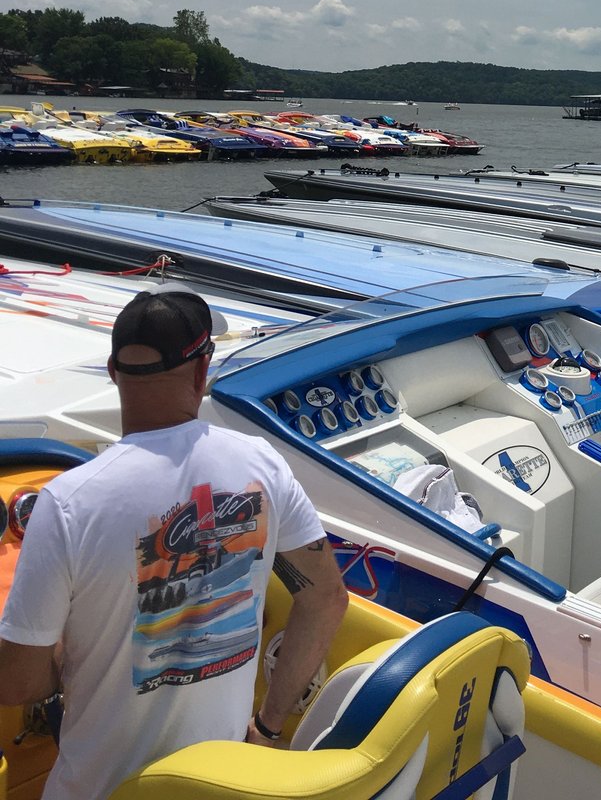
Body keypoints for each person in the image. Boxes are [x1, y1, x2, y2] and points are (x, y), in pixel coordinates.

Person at [0, 286, 348, 800]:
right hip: (219, 785)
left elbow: (17, 684)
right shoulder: (263, 465)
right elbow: (326, 598)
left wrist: (59, 656)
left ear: (113, 372)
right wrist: (268, 727)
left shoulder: (69, 502)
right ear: (203, 369)